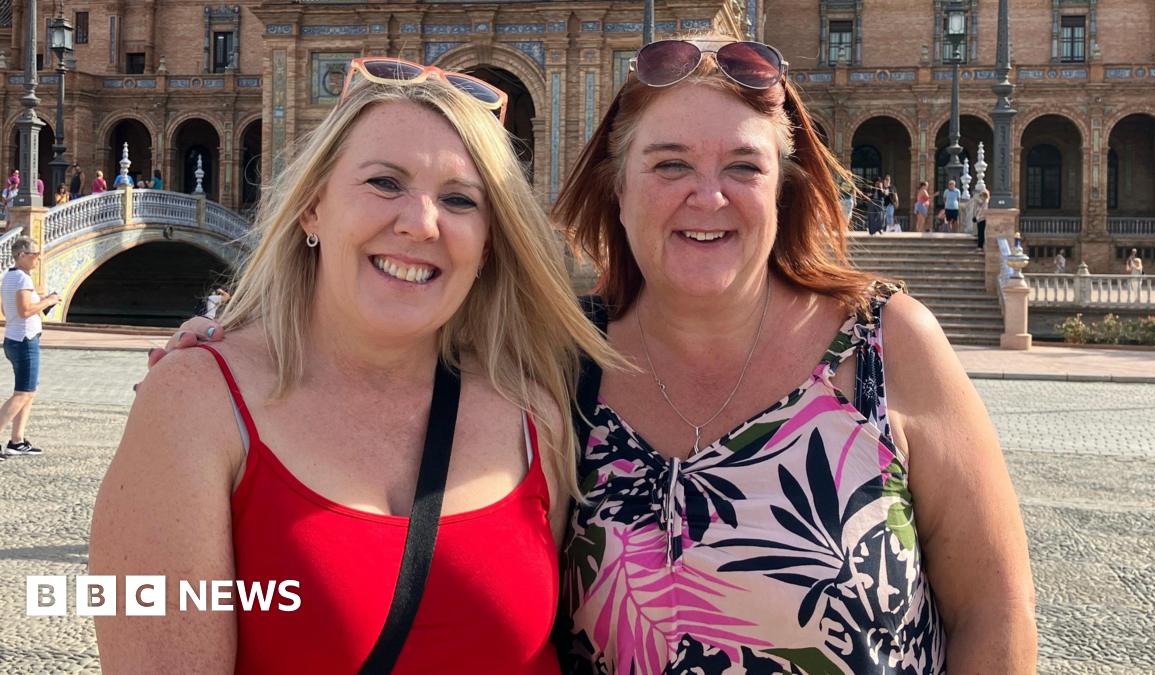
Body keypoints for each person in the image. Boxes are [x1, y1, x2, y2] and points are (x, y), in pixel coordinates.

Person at [152, 36, 1039, 672]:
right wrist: (232, 344)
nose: (706, 195)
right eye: (667, 164)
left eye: (742, 166)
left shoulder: (885, 345)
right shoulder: (554, 362)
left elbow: (996, 618)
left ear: (787, 184)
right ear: (615, 189)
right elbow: (392, 305)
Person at [92, 58, 617, 672]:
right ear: (312, 207)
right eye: (384, 183)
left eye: (458, 199)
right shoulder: (193, 406)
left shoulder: (534, 414)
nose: (420, 224)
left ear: (491, 242)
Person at [0, 236, 58, 457]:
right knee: (23, 393)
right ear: (22, 255)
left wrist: (39, 300)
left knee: (28, 391)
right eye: (34, 254)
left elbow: (8, 311)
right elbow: (24, 311)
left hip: (15, 338)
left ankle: (17, 440)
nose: (38, 259)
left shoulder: (9, 277)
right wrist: (48, 301)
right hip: (24, 340)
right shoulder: (23, 280)